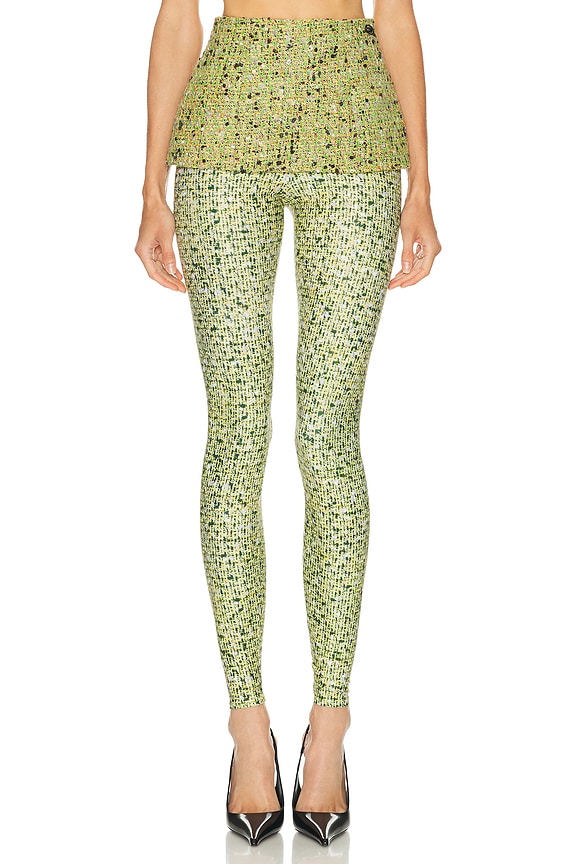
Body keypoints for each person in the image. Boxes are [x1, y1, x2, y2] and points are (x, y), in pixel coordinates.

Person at [135, 0, 441, 847]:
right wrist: (150, 187)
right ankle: (248, 729)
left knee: (329, 442)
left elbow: (395, 14)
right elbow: (178, 17)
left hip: (356, 138)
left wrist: (423, 183)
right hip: (222, 140)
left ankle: (330, 729)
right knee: (236, 441)